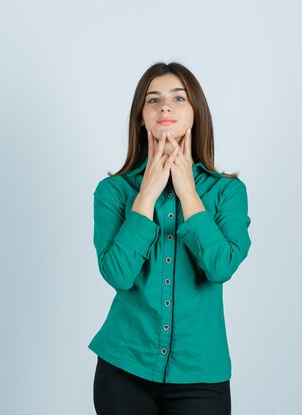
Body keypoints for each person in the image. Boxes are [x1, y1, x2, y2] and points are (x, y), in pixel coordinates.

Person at [89, 62, 252, 415]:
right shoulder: (113, 192)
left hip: (200, 375)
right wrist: (146, 193)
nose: (166, 106)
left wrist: (189, 194)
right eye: (154, 99)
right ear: (141, 118)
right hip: (123, 369)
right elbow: (118, 273)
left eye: (179, 98)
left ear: (196, 114)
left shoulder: (227, 191)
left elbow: (220, 266)